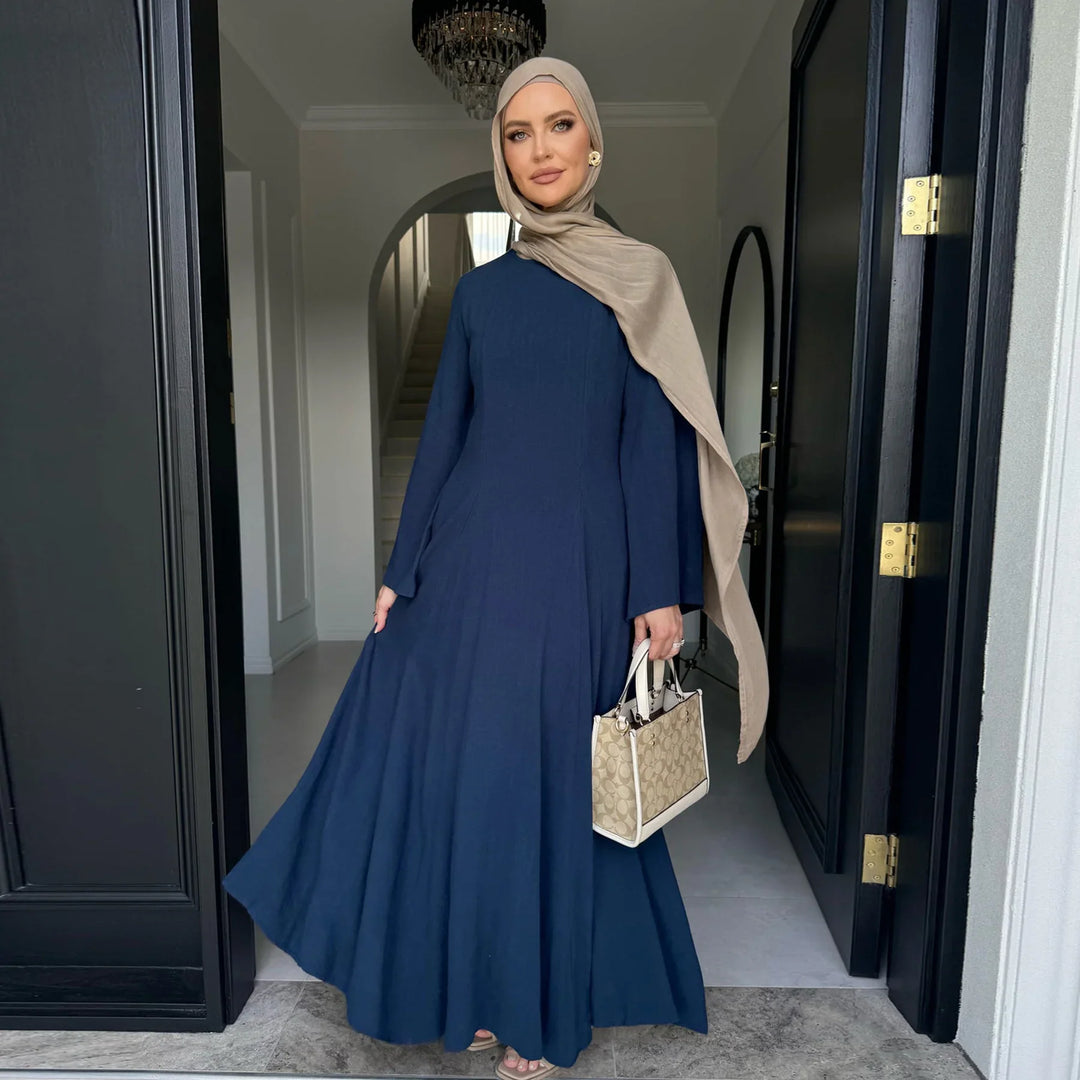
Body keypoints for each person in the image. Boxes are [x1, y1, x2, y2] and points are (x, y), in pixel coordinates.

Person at [222, 55, 769, 1080]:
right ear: (502, 154)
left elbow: (649, 444)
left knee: (553, 782)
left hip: (580, 566)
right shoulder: (480, 295)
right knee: (463, 778)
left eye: (558, 126)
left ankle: (538, 1011)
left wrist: (663, 590)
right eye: (518, 134)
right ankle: (472, 987)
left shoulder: (638, 275)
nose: (540, 150)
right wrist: (400, 571)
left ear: (593, 141)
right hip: (468, 565)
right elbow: (443, 442)